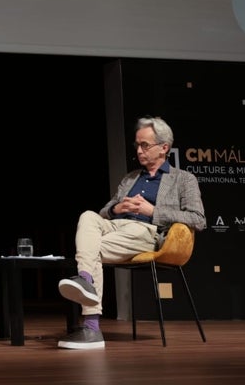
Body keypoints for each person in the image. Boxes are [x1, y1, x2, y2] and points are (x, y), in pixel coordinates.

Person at [56, 115, 205, 350]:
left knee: (89, 250)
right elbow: (104, 212)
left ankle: (92, 327)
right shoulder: (130, 178)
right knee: (87, 216)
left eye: (145, 145)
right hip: (116, 226)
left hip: (147, 232)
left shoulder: (183, 179)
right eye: (137, 145)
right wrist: (118, 208)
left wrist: (153, 211)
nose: (139, 150)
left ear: (164, 147)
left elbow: (198, 219)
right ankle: (86, 281)